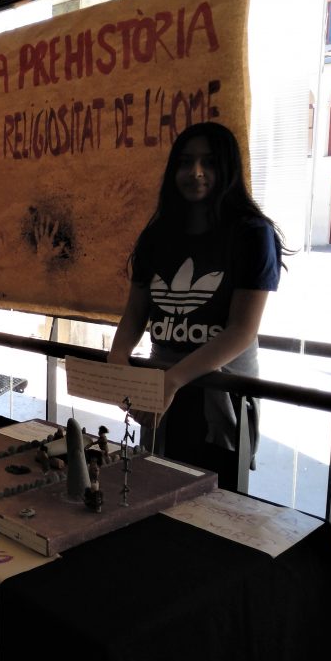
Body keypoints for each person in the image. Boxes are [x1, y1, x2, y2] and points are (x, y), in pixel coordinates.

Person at [107, 121, 290, 491]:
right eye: (185, 162)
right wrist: (118, 358)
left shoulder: (252, 234)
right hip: (162, 386)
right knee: (153, 490)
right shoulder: (157, 235)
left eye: (209, 162)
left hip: (219, 391)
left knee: (213, 503)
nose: (196, 172)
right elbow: (136, 313)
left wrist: (173, 380)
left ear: (228, 169)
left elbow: (242, 331)